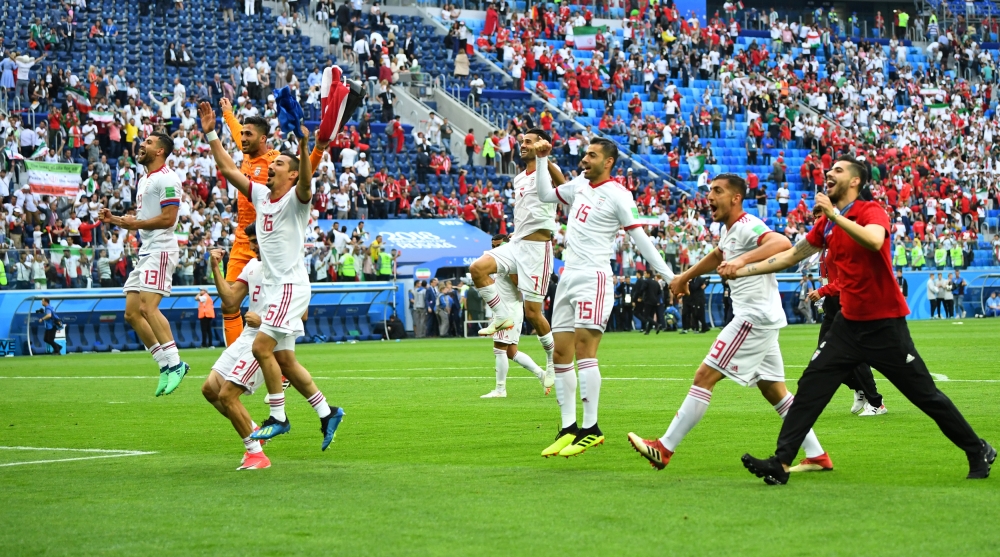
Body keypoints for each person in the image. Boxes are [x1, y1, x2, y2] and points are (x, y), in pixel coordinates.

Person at [733, 156, 994, 484]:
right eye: (830, 170)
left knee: (925, 394)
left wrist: (835, 216)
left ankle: (977, 448)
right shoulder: (827, 223)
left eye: (838, 170)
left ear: (855, 181)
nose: (829, 173)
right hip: (847, 325)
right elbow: (790, 255)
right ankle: (781, 463)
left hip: (884, 324)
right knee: (812, 385)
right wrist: (742, 269)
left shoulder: (870, 211)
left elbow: (873, 240)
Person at [628, 174, 831, 473]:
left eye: (717, 191)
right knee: (775, 391)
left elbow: (781, 242)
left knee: (704, 376)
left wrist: (741, 261)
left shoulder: (748, 225)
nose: (710, 196)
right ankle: (816, 454)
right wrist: (685, 276)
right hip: (763, 318)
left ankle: (665, 447)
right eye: (709, 190)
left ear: (736, 197)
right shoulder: (730, 231)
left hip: (753, 318)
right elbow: (718, 254)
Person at [200, 103, 344, 449]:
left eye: (279, 163)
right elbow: (228, 168)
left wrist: (306, 151)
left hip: (289, 289)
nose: (271, 166)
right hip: (281, 289)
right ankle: (328, 412)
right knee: (284, 360)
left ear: (291, 175)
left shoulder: (297, 200)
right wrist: (210, 132)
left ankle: (278, 417)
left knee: (261, 345)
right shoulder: (262, 195)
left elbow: (307, 183)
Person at [535, 137, 675, 458]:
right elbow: (545, 194)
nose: (585, 159)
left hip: (594, 277)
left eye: (592, 155)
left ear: (608, 162)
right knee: (560, 354)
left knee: (585, 351)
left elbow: (641, 239)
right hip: (568, 276)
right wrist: (543, 160)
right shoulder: (579, 186)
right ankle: (569, 428)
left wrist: (669, 276)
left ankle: (591, 428)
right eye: (585, 153)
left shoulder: (619, 195)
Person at [472, 129, 565, 390]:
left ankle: (551, 361)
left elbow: (565, 188)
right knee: (478, 268)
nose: (521, 145)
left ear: (540, 145)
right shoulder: (518, 178)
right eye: (521, 141)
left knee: (534, 313)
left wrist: (548, 157)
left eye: (528, 142)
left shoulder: (547, 170)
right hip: (516, 244)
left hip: (538, 250)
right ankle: (501, 316)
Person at [99, 132, 189, 396]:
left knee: (149, 308)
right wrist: (114, 219)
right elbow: (140, 219)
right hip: (147, 250)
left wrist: (134, 224)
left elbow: (168, 219)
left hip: (161, 249)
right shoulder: (144, 179)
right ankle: (164, 365)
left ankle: (176, 363)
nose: (142, 145)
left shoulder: (168, 178)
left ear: (160, 151)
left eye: (149, 142)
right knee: (132, 313)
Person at [219, 99, 280, 347]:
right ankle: (234, 356)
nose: (242, 138)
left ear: (263, 139)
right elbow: (236, 131)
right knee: (229, 302)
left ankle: (281, 358)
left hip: (268, 237)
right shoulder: (246, 151)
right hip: (242, 238)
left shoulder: (276, 161)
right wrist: (227, 114)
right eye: (242, 134)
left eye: (248, 135)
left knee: (275, 301)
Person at [809, 249, 887, 416]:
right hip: (831, 303)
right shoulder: (825, 243)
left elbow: (846, 278)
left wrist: (822, 291)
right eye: (814, 219)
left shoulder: (842, 243)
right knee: (823, 358)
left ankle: (876, 402)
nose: (815, 221)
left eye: (818, 219)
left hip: (846, 301)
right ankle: (859, 388)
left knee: (854, 353)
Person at [481, 235, 550, 398]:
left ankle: (500, 389)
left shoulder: (509, 262)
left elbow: (520, 284)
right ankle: (542, 374)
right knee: (511, 352)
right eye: (493, 245)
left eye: (498, 245)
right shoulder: (500, 260)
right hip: (507, 310)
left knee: (499, 349)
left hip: (508, 311)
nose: (495, 248)